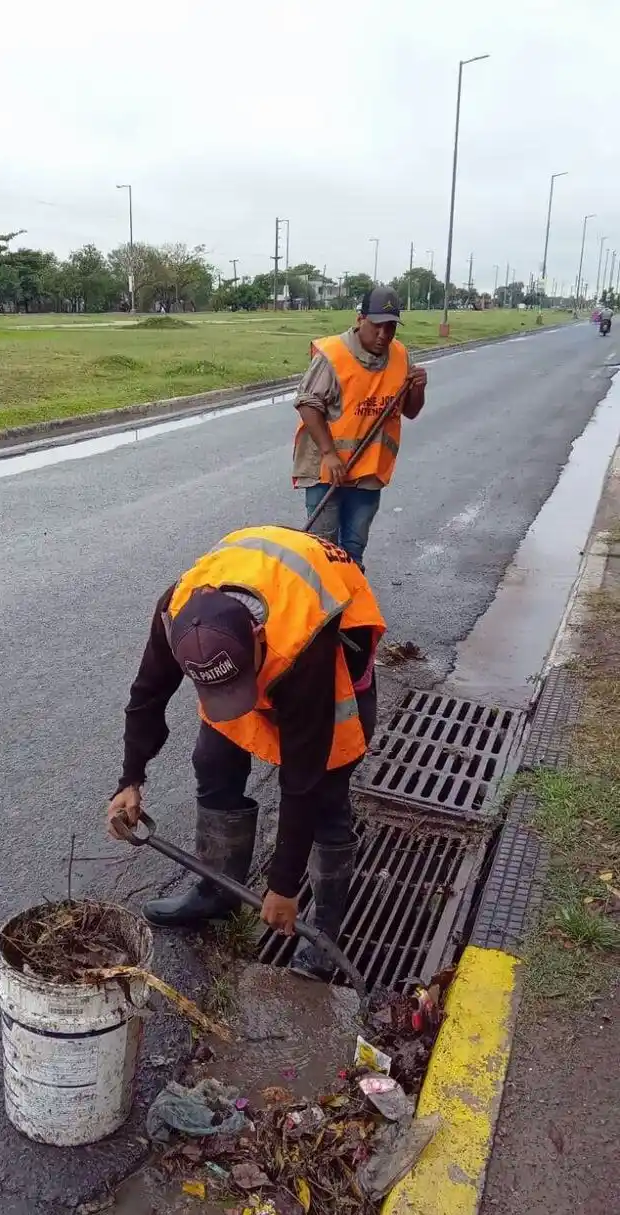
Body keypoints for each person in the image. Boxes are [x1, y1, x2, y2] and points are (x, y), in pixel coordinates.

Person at [106, 524, 386, 979]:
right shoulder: (176, 612)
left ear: (257, 635)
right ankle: (218, 891)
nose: (244, 699)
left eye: (242, 684)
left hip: (337, 649)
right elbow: (147, 696)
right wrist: (130, 779)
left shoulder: (303, 644)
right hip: (259, 626)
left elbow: (303, 777)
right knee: (214, 760)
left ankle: (328, 928)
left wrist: (283, 885)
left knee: (326, 796)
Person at [292, 285, 428, 567]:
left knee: (353, 549)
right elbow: (308, 405)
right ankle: (323, 609)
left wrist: (418, 389)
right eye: (376, 326)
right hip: (327, 469)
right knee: (323, 550)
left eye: (390, 328)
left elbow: (411, 412)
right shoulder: (333, 355)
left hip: (368, 471)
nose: (383, 335)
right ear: (360, 319)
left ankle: (349, 607)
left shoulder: (400, 356)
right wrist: (329, 453)